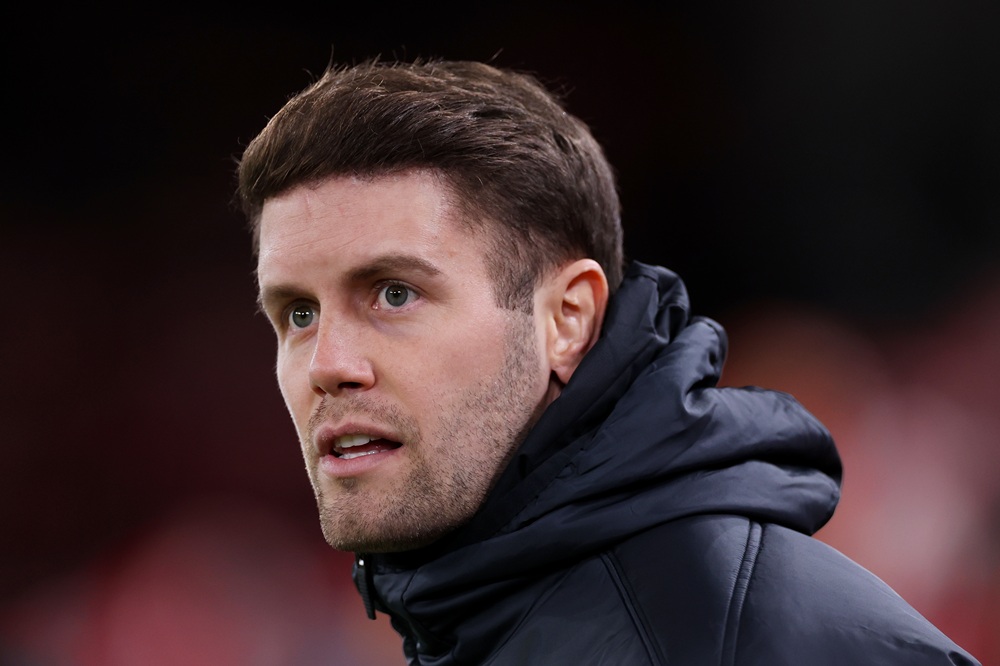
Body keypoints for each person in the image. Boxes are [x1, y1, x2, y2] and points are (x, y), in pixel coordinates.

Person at [237, 59, 979, 665]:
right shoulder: (481, 610)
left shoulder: (743, 642)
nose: (328, 363)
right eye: (298, 314)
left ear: (567, 320)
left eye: (394, 293)